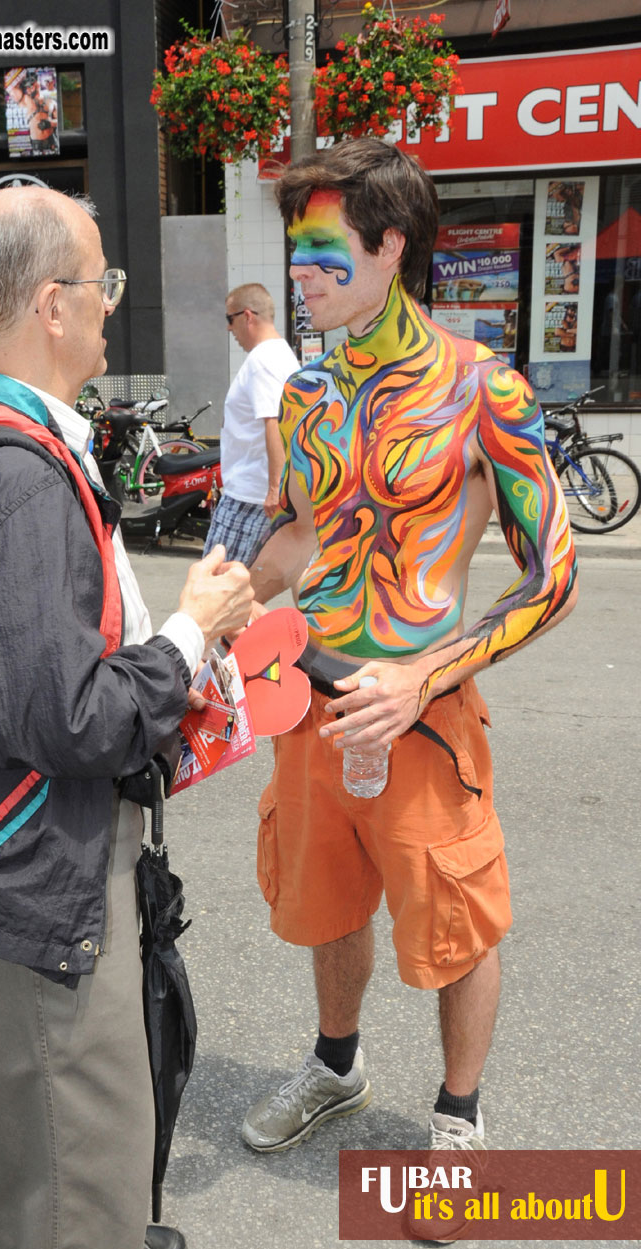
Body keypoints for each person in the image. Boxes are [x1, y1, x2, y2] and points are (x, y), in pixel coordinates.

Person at [0, 186, 253, 1249]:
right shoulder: (21, 480)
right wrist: (189, 632)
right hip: (42, 876)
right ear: (51, 304)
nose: (110, 303)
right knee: (79, 1194)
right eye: (101, 282)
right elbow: (72, 719)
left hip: (9, 845)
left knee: (77, 1163)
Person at [240, 140, 578, 1171]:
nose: (300, 273)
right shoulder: (303, 394)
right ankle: (335, 1065)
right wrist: (224, 607)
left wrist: (422, 677)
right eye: (295, 251)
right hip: (310, 702)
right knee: (325, 902)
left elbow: (555, 576)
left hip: (423, 714)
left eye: (321, 250)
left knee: (456, 921)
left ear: (390, 246)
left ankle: (458, 1116)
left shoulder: (483, 390)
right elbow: (301, 535)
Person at [203, 283, 299, 565]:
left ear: (247, 316)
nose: (228, 329)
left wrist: (274, 488)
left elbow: (274, 422)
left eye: (229, 319)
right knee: (273, 576)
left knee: (214, 579)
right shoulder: (283, 354)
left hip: (249, 496)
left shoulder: (263, 361)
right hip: (264, 493)